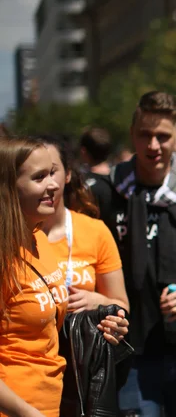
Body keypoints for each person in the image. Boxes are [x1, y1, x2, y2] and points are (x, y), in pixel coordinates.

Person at [90, 91, 176, 417]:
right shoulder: (105, 194)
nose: (153, 145)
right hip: (128, 352)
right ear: (132, 134)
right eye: (145, 135)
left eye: (162, 136)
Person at [0, 137, 128, 417]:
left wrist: (102, 322)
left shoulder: (39, 240)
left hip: (54, 403)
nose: (54, 185)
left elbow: (48, 328)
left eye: (52, 173)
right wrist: (28, 413)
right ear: (8, 187)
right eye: (39, 177)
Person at [39, 136, 129, 312]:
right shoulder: (12, 235)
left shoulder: (95, 231)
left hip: (80, 338)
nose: (46, 184)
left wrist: (99, 302)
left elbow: (121, 305)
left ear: (67, 174)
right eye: (36, 175)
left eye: (51, 172)